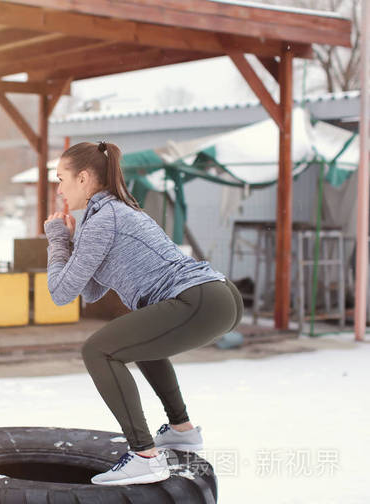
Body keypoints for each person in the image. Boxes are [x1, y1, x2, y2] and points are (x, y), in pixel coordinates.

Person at [43, 141, 243, 486]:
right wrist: (74, 244)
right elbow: (91, 291)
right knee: (136, 340)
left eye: (61, 179)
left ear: (84, 178)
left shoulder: (106, 218)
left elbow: (61, 293)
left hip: (198, 299)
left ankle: (143, 455)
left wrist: (57, 241)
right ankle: (182, 430)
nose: (59, 189)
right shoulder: (111, 214)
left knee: (98, 350)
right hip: (215, 296)